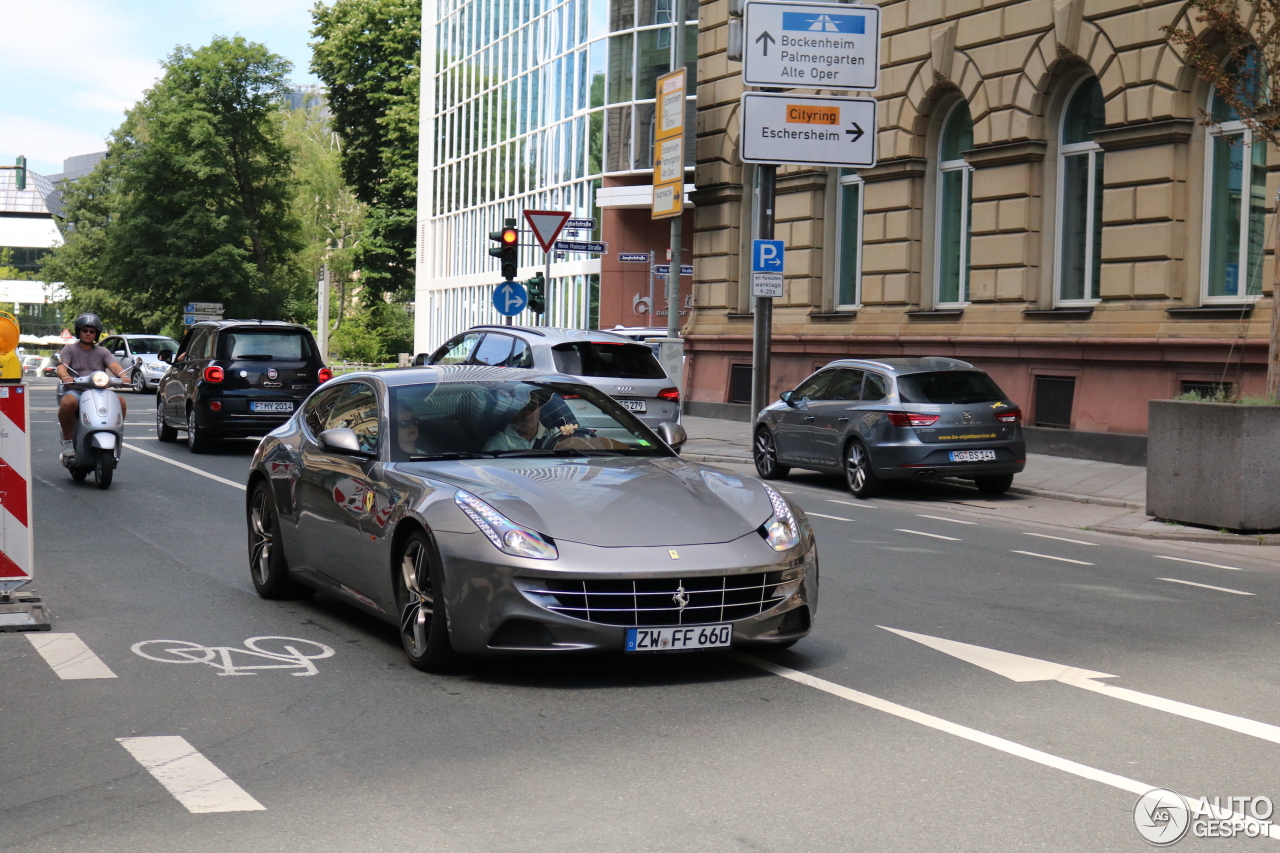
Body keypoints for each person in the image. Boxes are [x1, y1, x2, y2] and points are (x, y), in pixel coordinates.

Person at [56, 313, 130, 460]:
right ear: (79, 331)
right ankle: (67, 441)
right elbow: (62, 366)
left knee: (120, 401)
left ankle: (116, 435)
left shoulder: (102, 351)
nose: (88, 334)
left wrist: (124, 376)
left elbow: (113, 365)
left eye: (92, 331)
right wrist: (65, 377)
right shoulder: (69, 349)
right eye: (85, 330)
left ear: (96, 334)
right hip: (76, 390)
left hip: (99, 391)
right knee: (67, 403)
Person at [482, 391, 579, 453]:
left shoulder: (555, 435)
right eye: (520, 408)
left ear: (539, 409)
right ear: (512, 412)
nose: (527, 413)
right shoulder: (499, 442)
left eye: (531, 406)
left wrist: (571, 439)